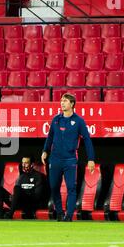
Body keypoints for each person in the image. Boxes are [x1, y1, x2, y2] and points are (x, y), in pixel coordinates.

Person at [41, 93, 95, 222]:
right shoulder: (56, 119)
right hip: (55, 159)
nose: (62, 103)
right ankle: (59, 212)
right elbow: (50, 137)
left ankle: (69, 216)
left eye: (65, 101)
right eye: (61, 101)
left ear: (72, 104)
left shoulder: (79, 121)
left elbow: (87, 140)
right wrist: (45, 151)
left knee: (71, 187)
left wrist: (91, 159)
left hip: (70, 159)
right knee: (54, 186)